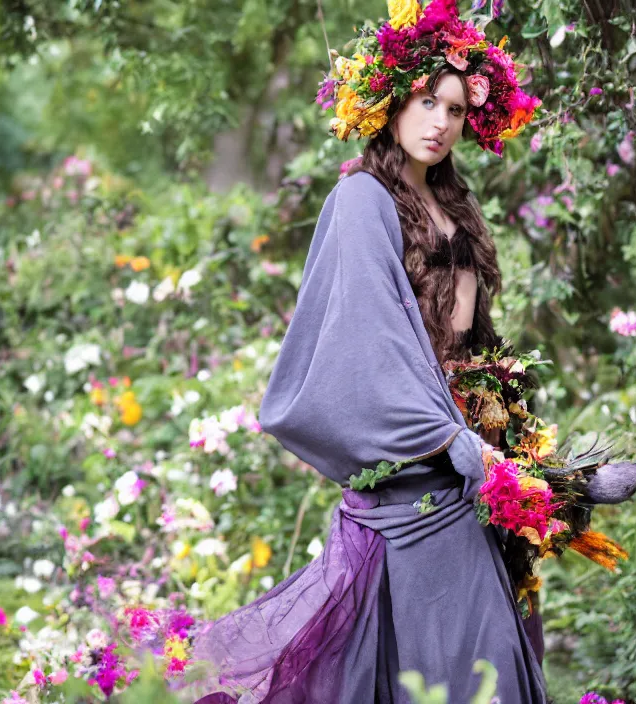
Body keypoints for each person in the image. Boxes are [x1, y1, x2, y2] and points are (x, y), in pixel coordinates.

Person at [189, 2, 546, 702]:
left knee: (490, 661)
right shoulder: (362, 200)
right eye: (424, 101)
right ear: (392, 100)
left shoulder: (457, 207)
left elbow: (477, 357)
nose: (439, 122)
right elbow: (367, 346)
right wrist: (444, 436)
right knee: (430, 672)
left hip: (471, 477)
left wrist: (547, 475)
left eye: (452, 107)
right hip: (414, 482)